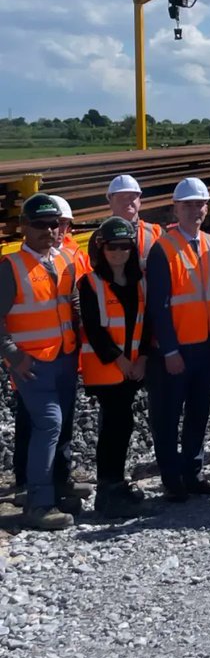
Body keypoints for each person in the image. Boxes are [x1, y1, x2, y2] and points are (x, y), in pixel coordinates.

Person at [145, 177, 210, 502]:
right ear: (176, 208)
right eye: (189, 204)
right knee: (168, 415)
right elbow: (159, 306)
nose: (196, 209)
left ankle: (193, 473)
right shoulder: (163, 248)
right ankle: (172, 480)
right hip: (177, 349)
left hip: (207, 345)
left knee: (199, 412)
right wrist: (168, 349)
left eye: (200, 204)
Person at [0, 193, 80, 530]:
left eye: (53, 224)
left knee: (60, 430)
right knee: (49, 425)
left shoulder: (64, 261)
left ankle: (57, 490)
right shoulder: (11, 267)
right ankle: (39, 502)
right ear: (24, 228)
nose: (48, 230)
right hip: (33, 365)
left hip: (64, 359)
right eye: (40, 225)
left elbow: (74, 308)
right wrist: (14, 355)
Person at [78, 216, 150, 518]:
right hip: (108, 369)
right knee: (113, 427)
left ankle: (117, 483)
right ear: (101, 248)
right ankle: (108, 492)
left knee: (123, 425)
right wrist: (120, 360)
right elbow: (93, 329)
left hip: (132, 367)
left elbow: (147, 325)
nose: (119, 253)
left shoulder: (139, 282)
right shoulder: (90, 283)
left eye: (125, 246)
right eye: (112, 247)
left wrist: (142, 358)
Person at [106, 175, 164, 270]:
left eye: (131, 197)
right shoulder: (100, 235)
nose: (127, 201)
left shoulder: (156, 232)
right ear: (110, 202)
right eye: (121, 197)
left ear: (139, 201)